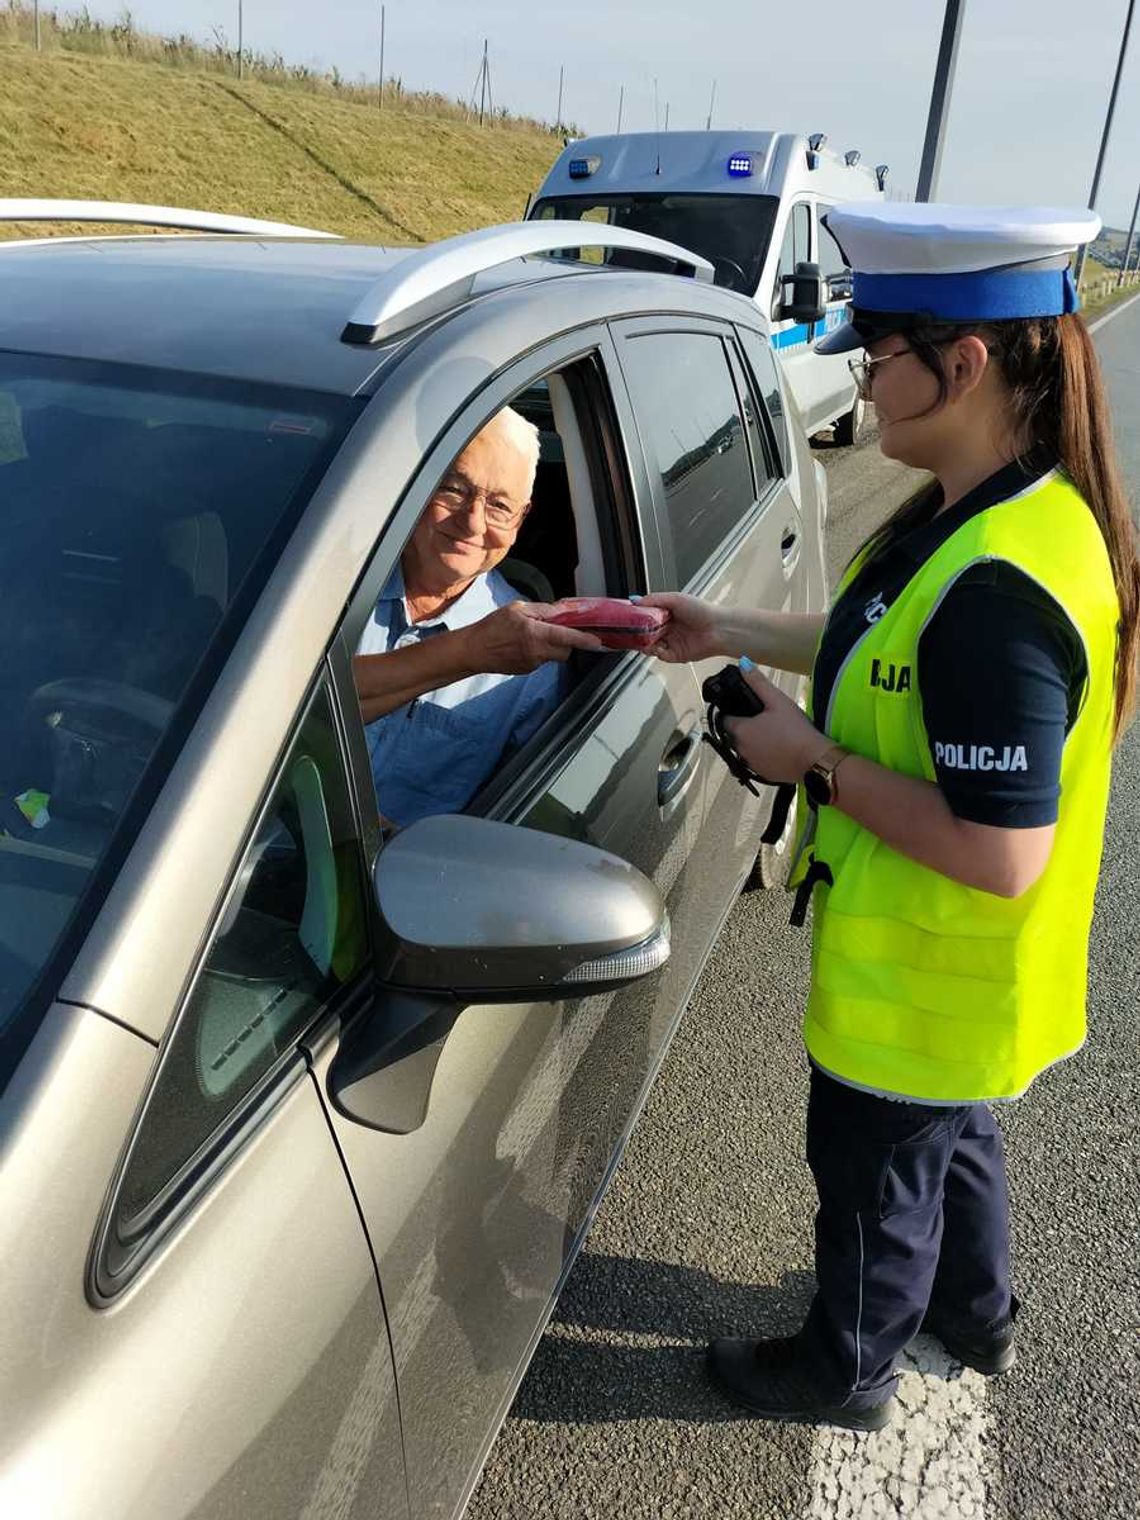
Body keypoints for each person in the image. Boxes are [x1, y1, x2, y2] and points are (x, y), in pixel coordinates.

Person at [642, 202, 1140, 1431]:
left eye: (879, 342)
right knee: (950, 1142)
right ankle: (975, 1314)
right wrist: (730, 630)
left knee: (871, 1186)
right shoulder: (995, 509)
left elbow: (1001, 848)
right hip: (962, 997)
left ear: (962, 363)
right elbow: (879, 642)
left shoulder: (1000, 584)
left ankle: (847, 1367)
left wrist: (806, 759)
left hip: (926, 982)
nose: (863, 366)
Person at [353, 407, 599, 827]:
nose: (472, 522)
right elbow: (277, 709)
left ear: (521, 521)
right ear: (418, 485)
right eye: (454, 489)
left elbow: (513, 827)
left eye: (500, 505)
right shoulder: (337, 588)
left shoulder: (531, 661)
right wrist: (469, 651)